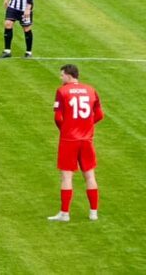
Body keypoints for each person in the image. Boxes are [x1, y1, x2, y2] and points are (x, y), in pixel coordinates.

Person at [49, 65, 105, 223]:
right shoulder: (91, 89)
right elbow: (100, 115)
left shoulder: (62, 91)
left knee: (67, 176)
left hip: (69, 140)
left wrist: (66, 130)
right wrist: (86, 126)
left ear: (68, 75)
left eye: (62, 75)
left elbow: (58, 118)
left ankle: (64, 214)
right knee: (90, 174)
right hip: (86, 139)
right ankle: (93, 212)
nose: (61, 78)